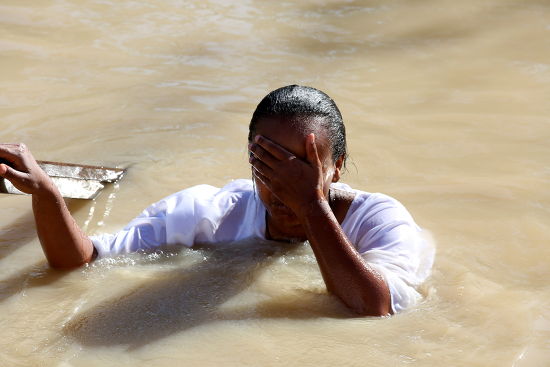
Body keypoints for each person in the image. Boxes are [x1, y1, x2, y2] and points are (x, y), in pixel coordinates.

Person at [0, 85, 433, 316]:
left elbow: (376, 306)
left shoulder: (379, 219)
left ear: (337, 167)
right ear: (249, 160)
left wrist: (310, 203)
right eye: (269, 165)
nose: (284, 186)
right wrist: (48, 196)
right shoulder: (211, 213)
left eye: (301, 168)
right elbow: (84, 261)